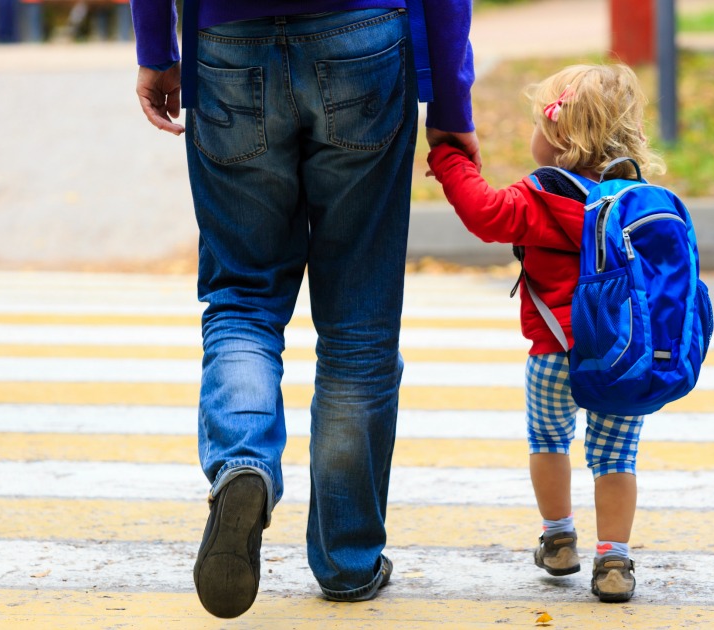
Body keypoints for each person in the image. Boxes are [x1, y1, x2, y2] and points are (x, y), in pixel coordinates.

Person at [130, 0, 478, 619]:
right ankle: (347, 562)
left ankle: (245, 462)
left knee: (243, 296)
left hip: (228, 40)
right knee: (358, 323)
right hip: (364, 37)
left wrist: (157, 48)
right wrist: (449, 100)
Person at [426, 63, 664, 604]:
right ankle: (614, 559)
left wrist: (448, 159)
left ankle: (558, 536)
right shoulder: (636, 202)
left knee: (549, 441)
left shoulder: (545, 196)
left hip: (554, 354)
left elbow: (485, 213)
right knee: (617, 459)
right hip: (624, 358)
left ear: (557, 136)